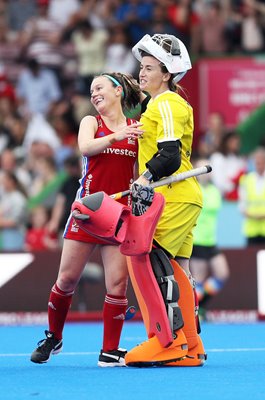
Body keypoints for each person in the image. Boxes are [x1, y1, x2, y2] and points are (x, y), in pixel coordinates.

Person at [30, 72, 143, 366]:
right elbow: (86, 147)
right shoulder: (92, 123)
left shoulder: (137, 128)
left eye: (99, 88)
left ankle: (109, 350)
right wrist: (116, 136)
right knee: (66, 279)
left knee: (117, 284)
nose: (94, 94)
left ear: (118, 91)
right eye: (92, 90)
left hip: (120, 214)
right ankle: (54, 336)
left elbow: (136, 172)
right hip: (89, 211)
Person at [123, 33, 206, 366]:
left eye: (149, 67)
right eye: (141, 67)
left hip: (172, 196)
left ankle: (167, 343)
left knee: (148, 262)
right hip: (179, 196)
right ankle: (191, 345)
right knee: (179, 272)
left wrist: (143, 179)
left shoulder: (167, 102)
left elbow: (169, 154)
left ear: (167, 74)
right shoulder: (155, 103)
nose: (142, 73)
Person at [190, 158, 230, 319]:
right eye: (200, 168)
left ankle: (200, 305)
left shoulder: (214, 191)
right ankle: (195, 312)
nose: (204, 173)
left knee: (222, 274)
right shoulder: (194, 189)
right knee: (198, 279)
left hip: (211, 240)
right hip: (197, 239)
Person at [238, 146, 265, 246]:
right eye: (257, 163)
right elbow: (241, 205)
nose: (259, 166)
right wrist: (253, 215)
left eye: (261, 163)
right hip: (251, 230)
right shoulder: (246, 180)